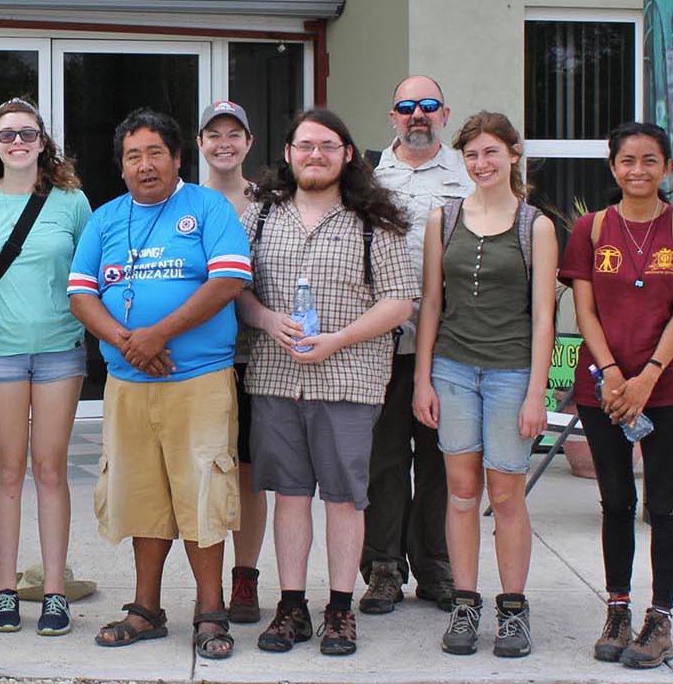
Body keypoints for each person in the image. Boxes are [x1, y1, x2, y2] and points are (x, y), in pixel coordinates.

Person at [70, 108, 252, 660]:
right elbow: (81, 294)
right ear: (121, 166)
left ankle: (210, 611)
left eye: (155, 153)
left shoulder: (208, 207)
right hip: (129, 383)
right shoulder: (105, 219)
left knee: (203, 493)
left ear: (177, 158)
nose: (144, 165)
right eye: (133, 156)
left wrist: (159, 334)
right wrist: (131, 343)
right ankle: (145, 608)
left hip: (198, 379)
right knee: (143, 496)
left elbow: (228, 280)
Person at [237, 108, 418, 657]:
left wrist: (338, 339)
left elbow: (399, 301)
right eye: (305, 145)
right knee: (289, 495)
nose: (315, 154)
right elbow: (234, 288)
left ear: (347, 155)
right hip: (275, 375)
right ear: (288, 154)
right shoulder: (260, 216)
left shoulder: (375, 221)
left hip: (349, 379)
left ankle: (340, 609)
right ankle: (292, 606)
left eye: (328, 145)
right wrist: (267, 319)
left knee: (344, 499)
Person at [560, 122, 673, 670]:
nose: (638, 170)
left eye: (650, 160)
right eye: (627, 160)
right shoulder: (591, 228)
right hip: (602, 389)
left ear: (666, 168)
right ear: (613, 168)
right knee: (617, 502)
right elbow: (584, 311)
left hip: (668, 389)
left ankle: (660, 619)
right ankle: (619, 610)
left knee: (664, 503)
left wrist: (648, 377)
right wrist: (611, 373)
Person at [411, 112, 557, 658]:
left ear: (513, 155)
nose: (482, 164)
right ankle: (465, 603)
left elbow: (544, 317)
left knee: (507, 493)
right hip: (452, 369)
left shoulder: (535, 225)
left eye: (492, 152)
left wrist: (536, 393)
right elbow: (432, 303)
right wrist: (422, 377)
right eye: (471, 155)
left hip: (510, 372)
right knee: (462, 491)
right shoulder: (442, 218)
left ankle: (513, 610)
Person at [0, 97, 90, 636]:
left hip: (60, 347)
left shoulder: (71, 201)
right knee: (8, 470)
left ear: (43, 141)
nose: (17, 143)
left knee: (51, 469)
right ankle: (5, 588)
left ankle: (54, 590)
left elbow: (89, 275)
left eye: (27, 134)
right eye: (7, 135)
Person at [362, 75, 470, 614]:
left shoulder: (469, 174)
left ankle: (435, 565)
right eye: (407, 107)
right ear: (393, 116)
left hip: (448, 344)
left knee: (437, 460)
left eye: (428, 106)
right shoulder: (366, 177)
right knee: (381, 461)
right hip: (381, 345)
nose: (417, 115)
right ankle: (382, 567)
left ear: (445, 114)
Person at [196, 100, 268, 624]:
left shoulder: (270, 204)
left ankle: (245, 576)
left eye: (234, 134)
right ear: (200, 144)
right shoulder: (186, 204)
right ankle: (207, 584)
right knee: (203, 468)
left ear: (248, 143)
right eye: (213, 133)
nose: (224, 143)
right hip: (201, 356)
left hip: (259, 356)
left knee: (248, 469)